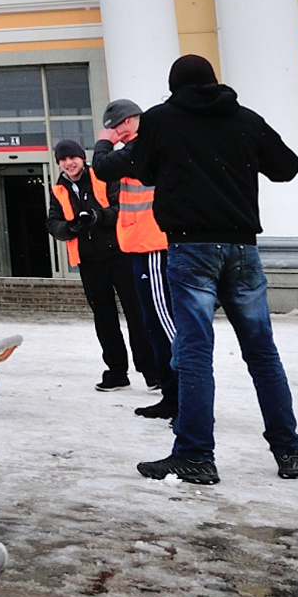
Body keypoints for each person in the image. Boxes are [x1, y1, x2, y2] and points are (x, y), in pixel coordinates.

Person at [97, 54, 298, 485]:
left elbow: (132, 168)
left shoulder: (163, 120)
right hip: (242, 249)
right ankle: (289, 451)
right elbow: (287, 167)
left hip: (191, 248)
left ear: (174, 87)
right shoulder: (245, 119)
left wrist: (115, 145)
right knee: (262, 352)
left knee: (194, 351)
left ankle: (195, 455)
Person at [94, 100, 177, 420]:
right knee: (152, 326)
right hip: (139, 245)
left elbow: (100, 166)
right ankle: (170, 394)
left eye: (114, 126)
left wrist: (103, 141)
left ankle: (183, 394)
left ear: (128, 122)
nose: (112, 132)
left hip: (154, 244)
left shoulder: (144, 147)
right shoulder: (136, 148)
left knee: (164, 323)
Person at [47, 139, 133, 390]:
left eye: (72, 157)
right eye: (62, 160)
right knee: (104, 319)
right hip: (88, 261)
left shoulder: (102, 177)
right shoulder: (59, 189)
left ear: (82, 158)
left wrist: (99, 217)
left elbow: (122, 208)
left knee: (137, 314)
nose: (68, 163)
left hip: (120, 254)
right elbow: (53, 223)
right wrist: (70, 227)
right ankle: (117, 372)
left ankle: (152, 371)